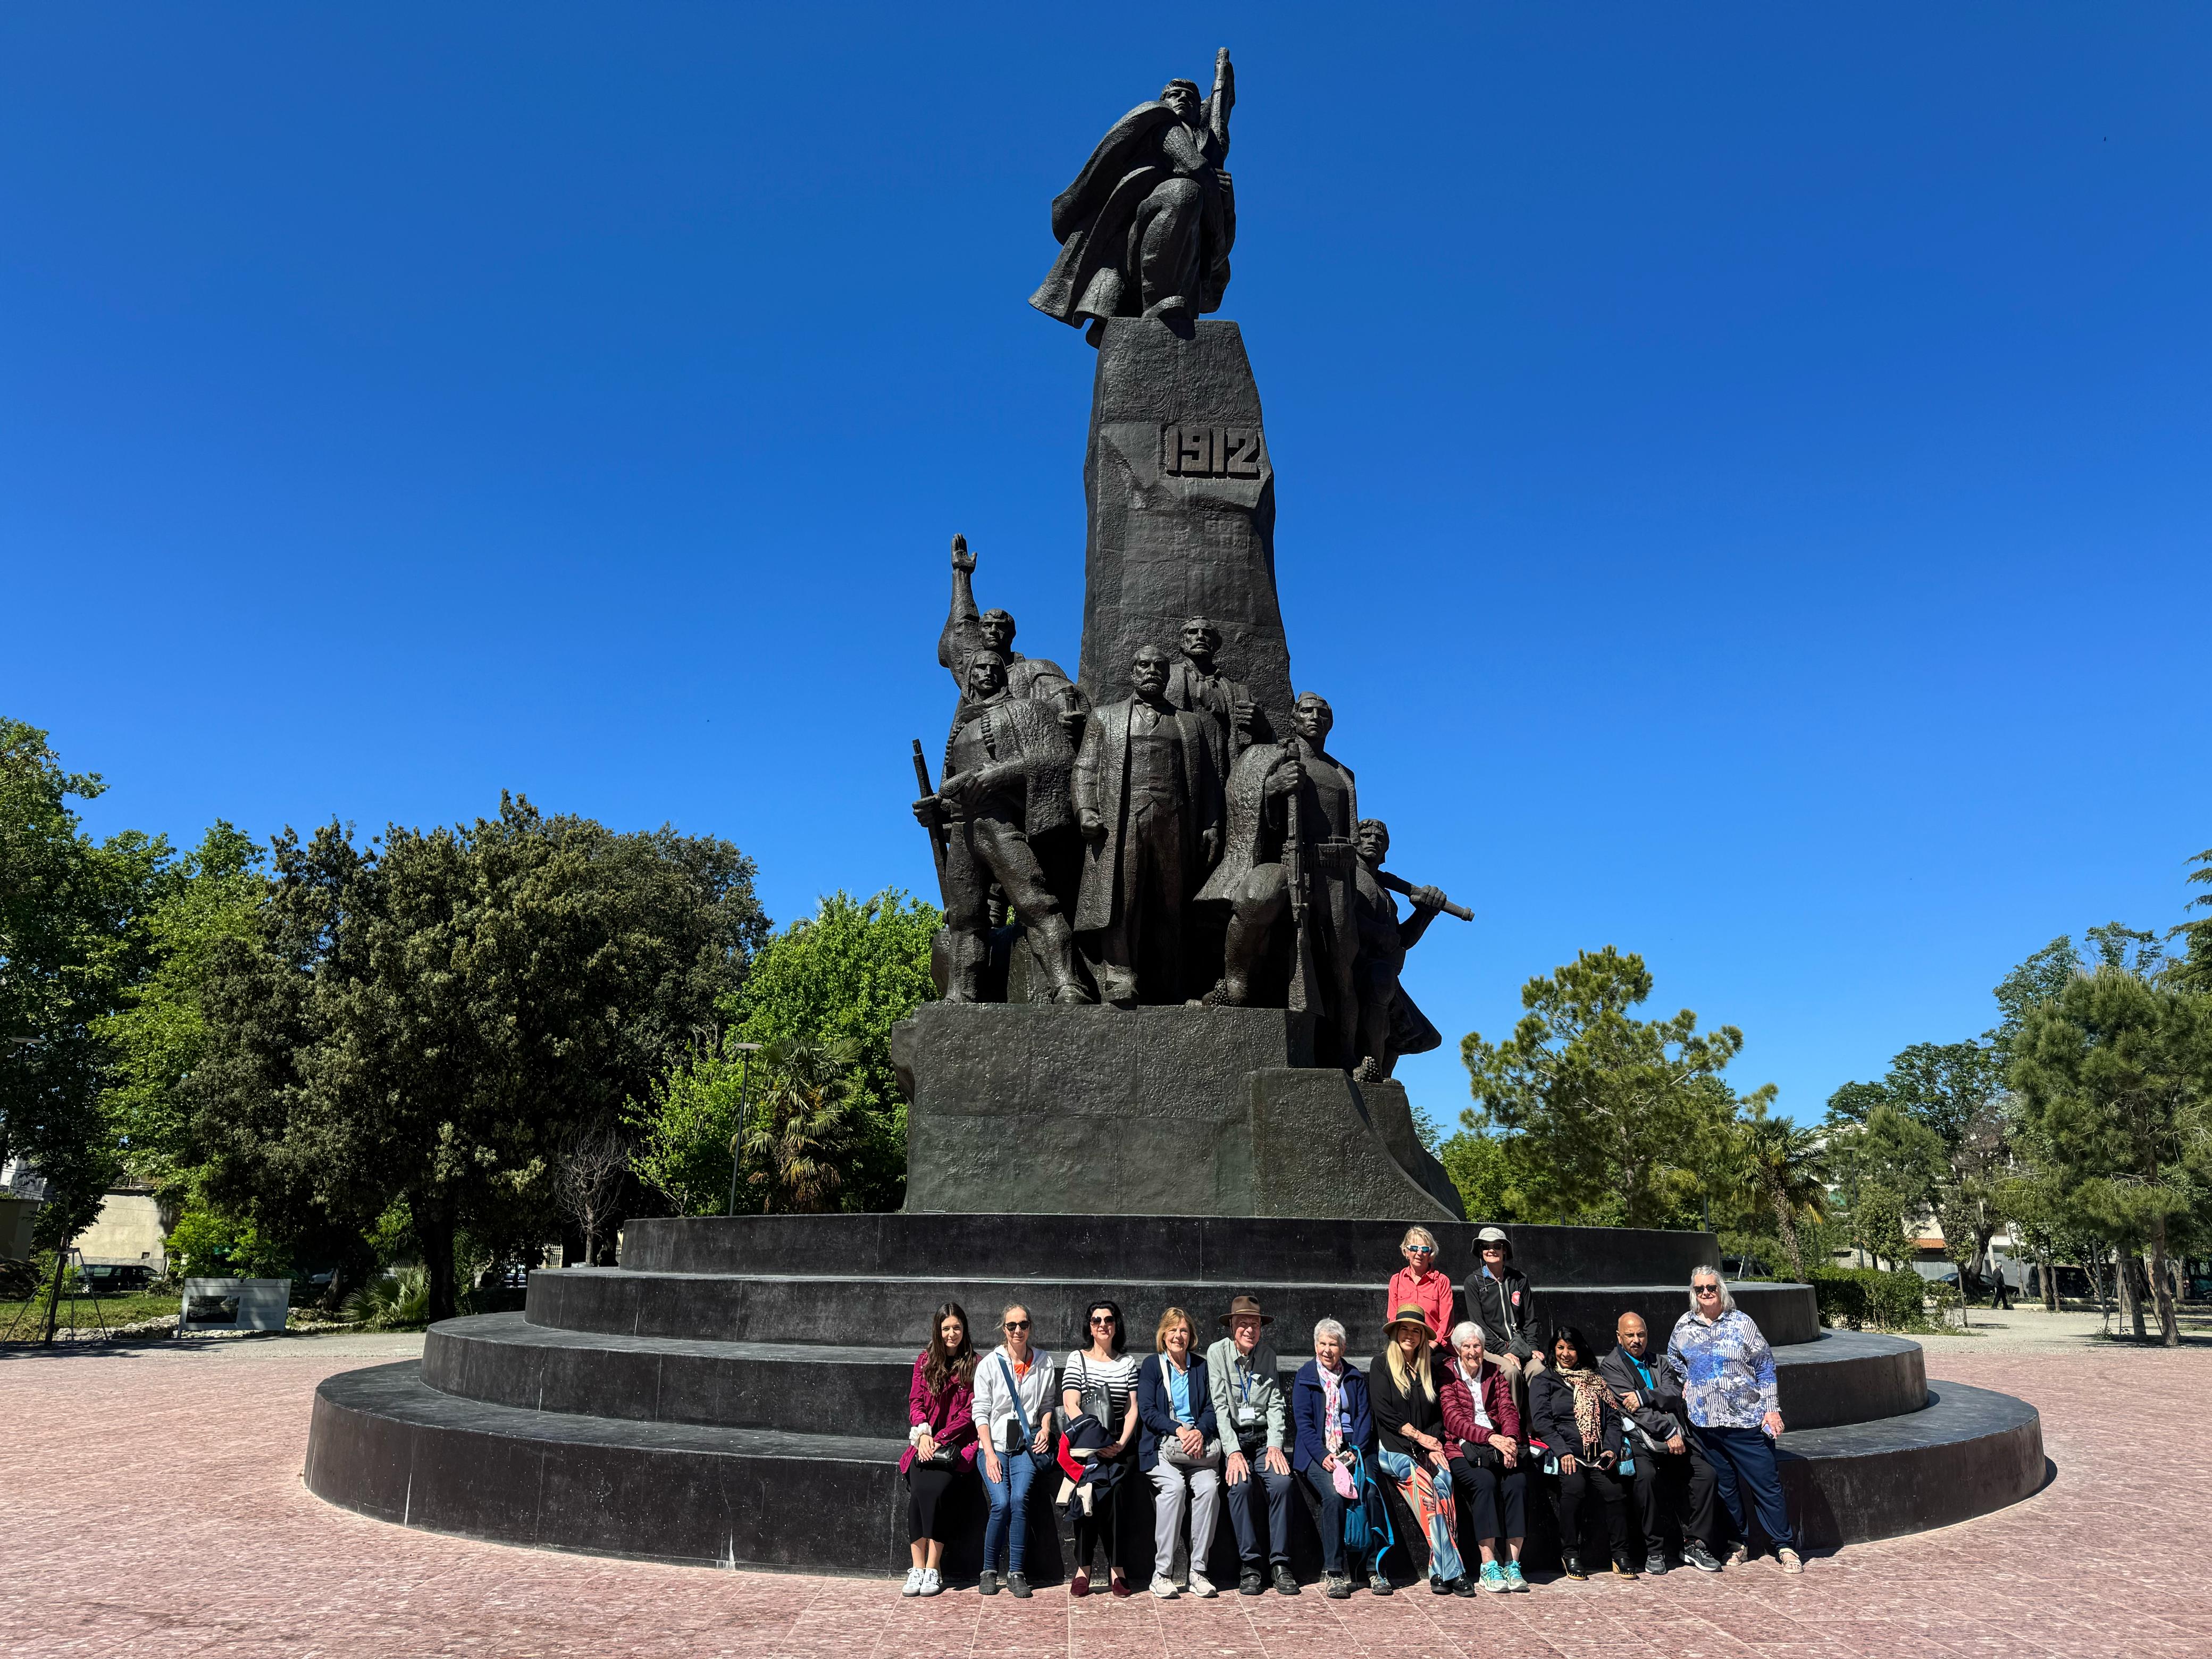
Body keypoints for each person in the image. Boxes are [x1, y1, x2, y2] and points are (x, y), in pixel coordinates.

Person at [914, 648, 1091, 1004]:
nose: (988, 673)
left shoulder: (1027, 711)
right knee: (964, 918)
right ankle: (960, 994)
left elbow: (1059, 758)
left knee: (1035, 902)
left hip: (1001, 823)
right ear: (969, 679)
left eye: (995, 667)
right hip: (964, 828)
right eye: (980, 668)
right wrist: (934, 809)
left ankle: (1067, 985)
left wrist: (1003, 773)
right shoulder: (961, 729)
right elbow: (953, 790)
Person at [1073, 643, 1226, 1006]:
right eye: (1144, 665)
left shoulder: (1190, 724)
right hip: (1122, 821)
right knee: (1122, 899)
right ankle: (1119, 975)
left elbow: (1209, 780)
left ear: (1169, 675)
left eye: (1159, 666)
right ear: (1132, 672)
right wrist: (1085, 809)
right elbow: (1085, 768)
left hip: (1174, 821)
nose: (1152, 671)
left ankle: (1171, 982)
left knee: (1172, 904)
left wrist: (1211, 824)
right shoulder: (1105, 718)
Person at [1669, 1269, 1804, 1573]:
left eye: (1711, 1287)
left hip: (1746, 1422)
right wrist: (1689, 1382)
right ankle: (1737, 1542)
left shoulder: (1742, 1323)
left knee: (1766, 1486)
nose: (1706, 1293)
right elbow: (1674, 1357)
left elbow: (1765, 1367)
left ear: (1721, 1290)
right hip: (1705, 1424)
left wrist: (1772, 1410)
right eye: (1700, 1289)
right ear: (1693, 1292)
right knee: (1726, 1488)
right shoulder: (1684, 1325)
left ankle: (1784, 1545)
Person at [1599, 1311, 1722, 1574]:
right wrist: (1667, 1430)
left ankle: (1695, 1544)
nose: (1636, 1340)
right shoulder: (1611, 1366)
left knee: (1706, 1475)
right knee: (1646, 1479)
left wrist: (1644, 1396)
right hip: (1640, 1439)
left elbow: (1674, 1393)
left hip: (1673, 1437)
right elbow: (1632, 1410)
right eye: (1630, 1335)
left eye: (1641, 1334)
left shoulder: (1659, 1362)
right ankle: (1655, 1550)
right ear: (1619, 1337)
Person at [1368, 1304, 1478, 1597]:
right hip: (1394, 1450)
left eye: (1416, 1331)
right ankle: (1456, 1572)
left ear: (1422, 1336)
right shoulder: (1381, 1365)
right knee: (1427, 1489)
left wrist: (1433, 1444)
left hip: (1425, 1448)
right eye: (1404, 1329)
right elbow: (1384, 1413)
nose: (1410, 1335)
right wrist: (1420, 1438)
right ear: (1395, 1333)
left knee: (1445, 1482)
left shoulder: (1429, 1367)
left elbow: (1437, 1416)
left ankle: (1439, 1571)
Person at [1290, 1318, 1392, 1599]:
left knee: (1370, 1492)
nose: (1327, 1350)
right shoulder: (1305, 1377)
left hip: (1354, 1449)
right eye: (1322, 1344)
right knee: (1334, 1496)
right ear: (1315, 1346)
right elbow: (1304, 1424)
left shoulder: (1354, 1377)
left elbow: (1364, 1418)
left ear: (1343, 1348)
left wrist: (1355, 1450)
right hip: (1317, 1451)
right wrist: (1324, 1455)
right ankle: (1334, 1572)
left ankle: (1375, 1569)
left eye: (1333, 1344)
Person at [1204, 1294, 1297, 1596]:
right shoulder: (1217, 1353)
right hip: (1234, 1438)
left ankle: (1280, 1563)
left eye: (1255, 1324)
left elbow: (1276, 1404)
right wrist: (1232, 1451)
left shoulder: (1268, 1355)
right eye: (1243, 1323)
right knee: (1240, 1486)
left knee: (1282, 1483)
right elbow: (1219, 1406)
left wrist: (1275, 1444)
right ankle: (1251, 1565)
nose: (1250, 1330)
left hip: (1262, 1439)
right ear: (1232, 1326)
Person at [1530, 1325, 1639, 1581]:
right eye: (1560, 1348)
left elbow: (1613, 1419)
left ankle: (1620, 1554)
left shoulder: (1596, 1380)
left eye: (1571, 1348)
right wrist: (1563, 1452)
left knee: (1615, 1493)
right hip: (1568, 1454)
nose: (1566, 1354)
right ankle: (1570, 1554)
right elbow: (1543, 1422)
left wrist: (1611, 1449)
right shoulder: (1545, 1380)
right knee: (1574, 1490)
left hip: (1599, 1454)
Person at [971, 1302, 1057, 1598]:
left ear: (1030, 1327)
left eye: (1023, 1324)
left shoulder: (1044, 1363)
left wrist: (1045, 1428)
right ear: (1004, 1329)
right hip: (994, 1446)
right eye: (1012, 1325)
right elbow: (980, 1412)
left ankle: (1016, 1572)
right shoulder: (989, 1364)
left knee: (1019, 1500)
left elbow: (1047, 1405)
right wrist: (989, 1454)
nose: (1018, 1330)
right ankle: (988, 1570)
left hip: (1024, 1448)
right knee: (1001, 1502)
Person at [1137, 1306, 1222, 1598]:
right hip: (1162, 1447)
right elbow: (1148, 1411)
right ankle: (1162, 1573)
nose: (1178, 1336)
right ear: (1163, 1335)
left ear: (1191, 1336)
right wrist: (1179, 1429)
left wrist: (1199, 1432)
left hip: (1198, 1449)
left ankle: (1198, 1571)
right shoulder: (1152, 1366)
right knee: (1174, 1489)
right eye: (1172, 1330)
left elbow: (1213, 1408)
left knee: (1209, 1489)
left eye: (1184, 1331)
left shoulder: (1201, 1367)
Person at [1061, 1299, 1141, 1597]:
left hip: (1120, 1444)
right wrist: (1097, 1442)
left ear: (1116, 1325)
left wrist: (1119, 1444)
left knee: (1116, 1492)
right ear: (1090, 1327)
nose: (1103, 1325)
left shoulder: (1127, 1363)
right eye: (1097, 1320)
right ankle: (1083, 1567)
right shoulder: (1077, 1359)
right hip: (1087, 1445)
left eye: (1109, 1320)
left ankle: (1117, 1568)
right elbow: (1071, 1404)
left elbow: (1132, 1409)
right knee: (1088, 1488)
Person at [1439, 1322, 1528, 1593]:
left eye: (1477, 1346)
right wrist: (1491, 1438)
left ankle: (1513, 1564)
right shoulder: (1447, 1374)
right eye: (1466, 1346)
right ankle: (1488, 1565)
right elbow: (1454, 1420)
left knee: (1517, 1482)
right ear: (1457, 1349)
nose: (1472, 1351)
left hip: (1498, 1447)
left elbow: (1508, 1409)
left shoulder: (1494, 1372)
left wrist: (1509, 1440)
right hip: (1463, 1449)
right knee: (1485, 1483)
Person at [901, 1302, 979, 1596]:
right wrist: (923, 1433)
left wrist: (940, 1438)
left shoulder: (975, 1364)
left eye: (957, 1328)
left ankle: (933, 1568)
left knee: (937, 1492)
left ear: (964, 1329)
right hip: (924, 1443)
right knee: (919, 1492)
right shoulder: (925, 1361)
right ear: (938, 1330)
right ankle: (917, 1568)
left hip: (955, 1447)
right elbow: (916, 1402)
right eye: (946, 1328)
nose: (952, 1334)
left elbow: (970, 1412)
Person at [1463, 1225, 1543, 1420]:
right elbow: (1479, 1325)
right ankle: (1512, 1425)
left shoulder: (1520, 1279)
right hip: (1491, 1348)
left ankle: (1536, 1425)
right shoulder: (1473, 1282)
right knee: (1511, 1371)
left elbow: (1530, 1319)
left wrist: (1533, 1347)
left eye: (1497, 1246)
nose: (1491, 1250)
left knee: (1538, 1369)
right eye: (1486, 1246)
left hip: (1522, 1344)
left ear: (1504, 1249)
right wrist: (1503, 1351)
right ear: (1480, 1251)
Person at [1384, 1225, 1454, 1343]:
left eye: (1425, 1249)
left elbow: (1446, 1322)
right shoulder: (1396, 1281)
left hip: (1433, 1344)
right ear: (1406, 1252)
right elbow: (1392, 1317)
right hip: (1404, 1343)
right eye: (1414, 1248)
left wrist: (1432, 1346)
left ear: (1430, 1254)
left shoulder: (1442, 1282)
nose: (1420, 1253)